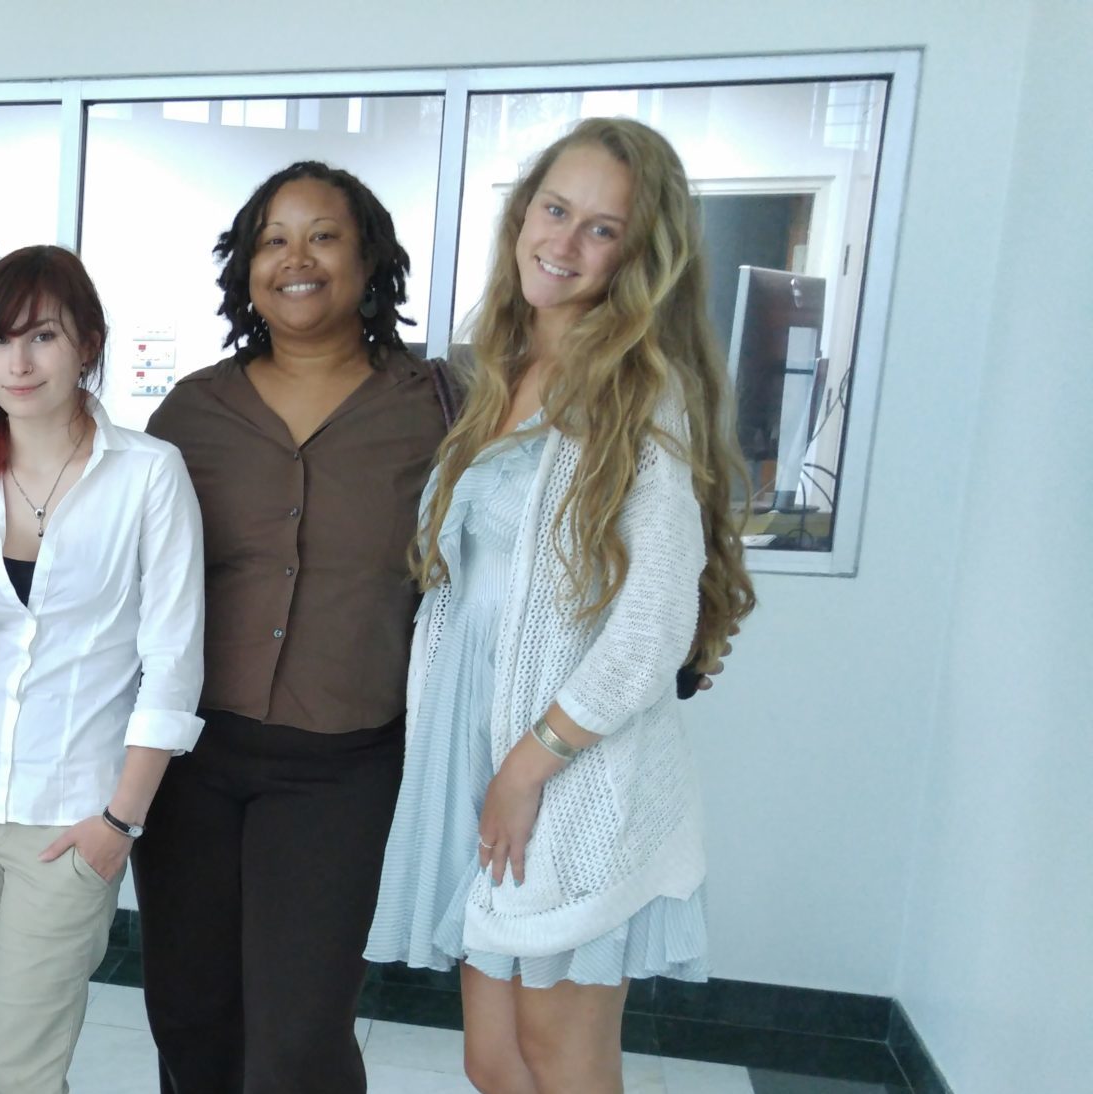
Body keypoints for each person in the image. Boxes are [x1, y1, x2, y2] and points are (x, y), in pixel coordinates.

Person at [365, 117, 757, 1094]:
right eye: (555, 209)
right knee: (493, 1059)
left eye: (601, 229)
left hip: (563, 776)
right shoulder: (496, 373)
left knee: (561, 1059)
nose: (565, 242)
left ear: (637, 255)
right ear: (522, 211)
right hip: (480, 756)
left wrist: (527, 765)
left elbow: (653, 622)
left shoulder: (637, 391)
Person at [134, 161, 441, 1092]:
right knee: (191, 1017)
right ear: (246, 267)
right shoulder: (193, 411)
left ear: (369, 258)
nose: (294, 258)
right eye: (272, 238)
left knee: (297, 1041)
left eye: (322, 235)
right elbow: (128, 576)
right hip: (192, 760)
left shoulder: (436, 406)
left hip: (341, 769)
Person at [0, 244, 206, 1094]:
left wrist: (118, 824)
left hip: (71, 825)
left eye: (43, 337)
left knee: (21, 1072)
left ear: (88, 345)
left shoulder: (147, 477)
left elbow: (171, 669)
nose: (17, 363)